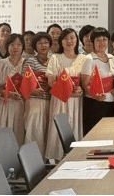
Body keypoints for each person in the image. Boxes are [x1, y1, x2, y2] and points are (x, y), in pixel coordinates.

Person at [45, 28, 87, 161]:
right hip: (60, 100)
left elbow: (85, 82)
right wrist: (67, 90)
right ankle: (55, 161)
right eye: (66, 38)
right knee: (58, 129)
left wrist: (81, 89)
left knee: (74, 127)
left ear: (77, 40)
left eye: (72, 38)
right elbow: (51, 82)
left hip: (76, 101)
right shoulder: (55, 58)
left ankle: (74, 159)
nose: (69, 41)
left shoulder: (83, 58)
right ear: (61, 42)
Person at [81, 28, 114, 133]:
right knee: (94, 134)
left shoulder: (111, 58)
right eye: (98, 40)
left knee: (108, 134)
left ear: (109, 42)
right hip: (94, 103)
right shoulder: (89, 58)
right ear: (93, 42)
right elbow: (85, 84)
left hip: (110, 102)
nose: (102, 43)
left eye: (104, 39)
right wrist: (95, 95)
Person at [0, 33, 26, 145]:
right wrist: (8, 93)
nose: (15, 47)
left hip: (20, 106)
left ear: (23, 47)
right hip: (4, 104)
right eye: (12, 44)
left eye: (19, 44)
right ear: (7, 47)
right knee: (2, 136)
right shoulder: (1, 64)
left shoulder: (26, 64)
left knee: (18, 136)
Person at [23, 32, 52, 157]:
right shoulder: (30, 61)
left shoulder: (53, 61)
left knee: (47, 134)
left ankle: (45, 163)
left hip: (51, 101)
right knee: (34, 132)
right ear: (35, 46)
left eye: (46, 42)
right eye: (40, 43)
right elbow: (23, 83)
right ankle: (32, 161)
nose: (43, 45)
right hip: (34, 101)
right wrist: (34, 91)